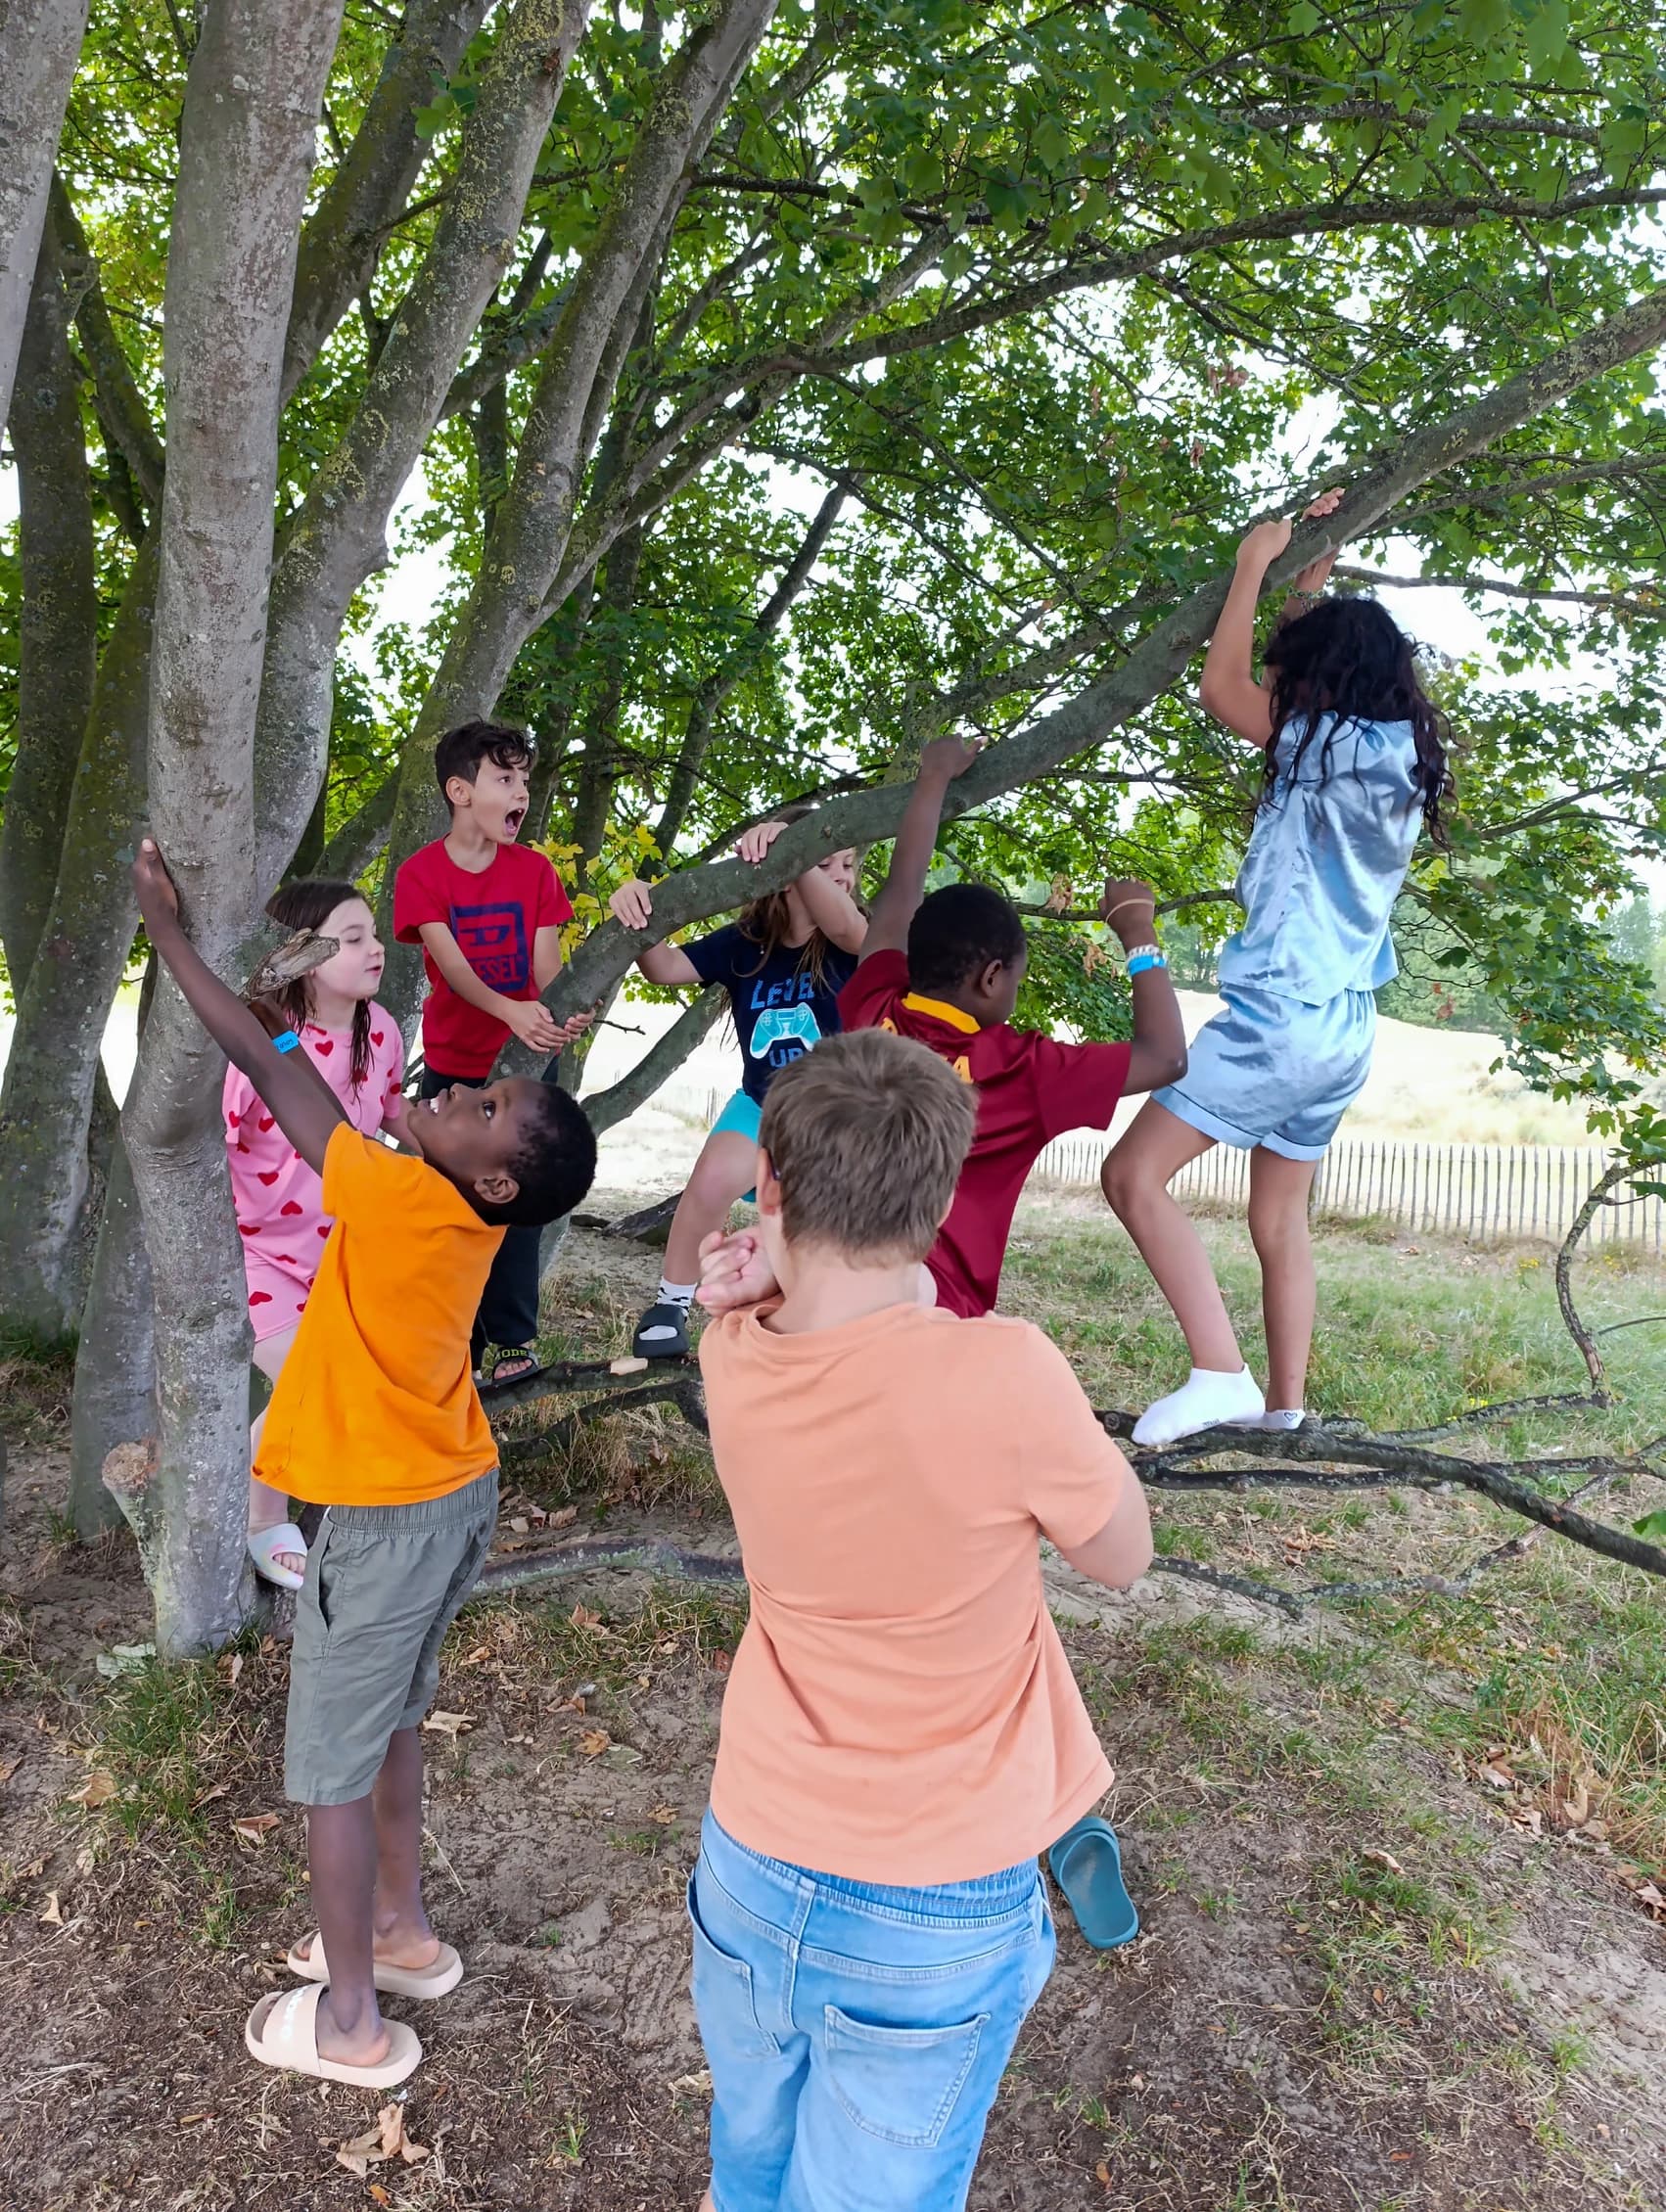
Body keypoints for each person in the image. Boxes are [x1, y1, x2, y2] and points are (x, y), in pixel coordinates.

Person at [129, 837, 598, 2091]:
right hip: (450, 1497)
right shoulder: (442, 1202)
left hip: (389, 1521)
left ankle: (349, 2023)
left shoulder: (397, 1197)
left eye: (485, 1108)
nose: (461, 1092)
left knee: (328, 1771)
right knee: (388, 1724)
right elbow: (311, 1083)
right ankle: (401, 1932)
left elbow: (271, 1069)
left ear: (494, 1176)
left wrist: (167, 938)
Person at [690, 1027, 1154, 2212]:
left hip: (753, 1848)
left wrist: (761, 1264)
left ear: (770, 1185)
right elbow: (1121, 1558)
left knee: (750, 2153)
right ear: (944, 1192)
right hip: (933, 1898)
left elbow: (801, 1303)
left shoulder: (734, 1354)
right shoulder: (1004, 1371)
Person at [1102, 491, 1454, 1446]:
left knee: (1131, 1176)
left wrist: (1252, 561)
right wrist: (1311, 583)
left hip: (1281, 1022)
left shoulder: (1324, 744)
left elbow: (1222, 691)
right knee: (1279, 1216)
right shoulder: (1385, 757)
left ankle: (1221, 1373)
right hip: (1342, 1030)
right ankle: (1287, 1404)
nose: (1276, 679)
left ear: (1321, 682)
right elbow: (1280, 681)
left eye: (1292, 670)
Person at [699, 738, 1186, 1322]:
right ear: (991, 977)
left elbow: (900, 897)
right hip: (938, 1312)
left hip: (827, 1284)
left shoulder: (872, 1003)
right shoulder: (1023, 1070)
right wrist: (1138, 934)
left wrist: (933, 775)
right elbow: (1165, 1058)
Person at [607, 804, 866, 1359]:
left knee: (815, 1234)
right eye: (830, 862)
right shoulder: (747, 942)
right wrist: (636, 907)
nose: (843, 875)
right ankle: (671, 1304)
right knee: (708, 1184)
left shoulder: (854, 943)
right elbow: (665, 968)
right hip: (761, 1104)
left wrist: (796, 856)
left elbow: (846, 923)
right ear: (783, 878)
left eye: (849, 864)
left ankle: (818, 1324)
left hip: (835, 1123)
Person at [393, 719, 591, 1384]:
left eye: (525, 780)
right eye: (504, 778)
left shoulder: (534, 871)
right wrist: (512, 1012)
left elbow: (547, 970)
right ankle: (445, 1341)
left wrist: (562, 1016)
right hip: (458, 1065)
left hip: (530, 1063)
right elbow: (449, 968)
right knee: (450, 1201)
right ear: (459, 790)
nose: (521, 793)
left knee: (520, 1202)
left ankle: (511, 1342)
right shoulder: (421, 874)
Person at [227, 879, 406, 1592]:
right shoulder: (257, 1042)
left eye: (374, 934)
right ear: (299, 956)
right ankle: (260, 1519)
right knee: (311, 1380)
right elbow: (206, 1150)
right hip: (256, 1255)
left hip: (343, 1252)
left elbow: (389, 1117)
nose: (376, 949)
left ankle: (337, 1510)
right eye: (353, 938)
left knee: (338, 1383)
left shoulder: (383, 1030)